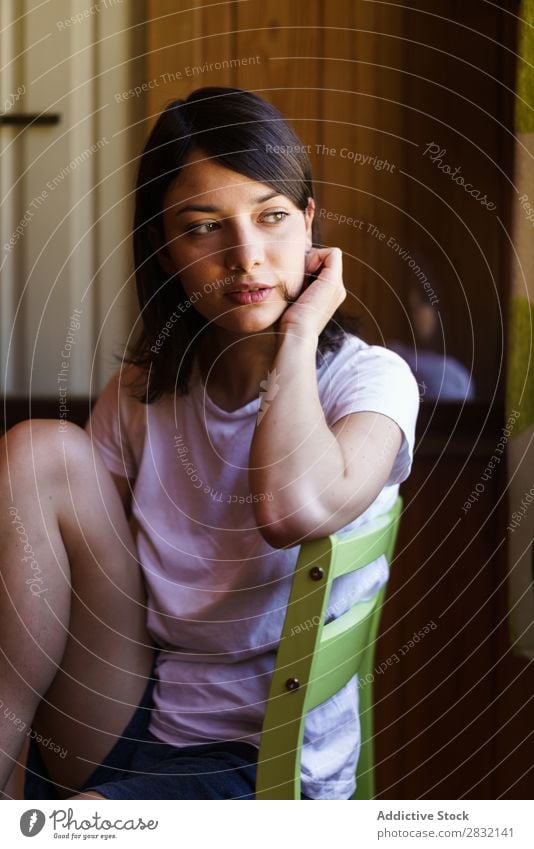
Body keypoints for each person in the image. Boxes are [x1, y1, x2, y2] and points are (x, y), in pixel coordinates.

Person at [0, 87, 419, 800]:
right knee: (37, 449)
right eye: (203, 228)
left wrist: (300, 332)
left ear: (310, 226)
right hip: (131, 709)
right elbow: (72, 582)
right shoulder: (142, 393)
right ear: (164, 249)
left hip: (258, 755)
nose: (247, 257)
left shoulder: (372, 384)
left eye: (273, 217)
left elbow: (293, 507)